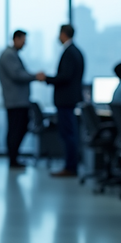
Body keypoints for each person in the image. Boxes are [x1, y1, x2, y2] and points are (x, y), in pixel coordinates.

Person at [36, 24, 84, 177]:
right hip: (68, 100)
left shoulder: (70, 52)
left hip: (66, 100)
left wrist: (47, 79)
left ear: (63, 34)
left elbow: (65, 77)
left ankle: (70, 167)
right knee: (69, 133)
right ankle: (70, 166)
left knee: (68, 134)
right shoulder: (75, 51)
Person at [0, 30, 36, 168]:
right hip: (15, 101)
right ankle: (13, 159)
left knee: (19, 128)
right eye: (23, 41)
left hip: (18, 100)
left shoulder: (12, 55)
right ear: (16, 39)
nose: (24, 44)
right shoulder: (9, 55)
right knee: (15, 130)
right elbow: (17, 75)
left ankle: (14, 158)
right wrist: (35, 76)